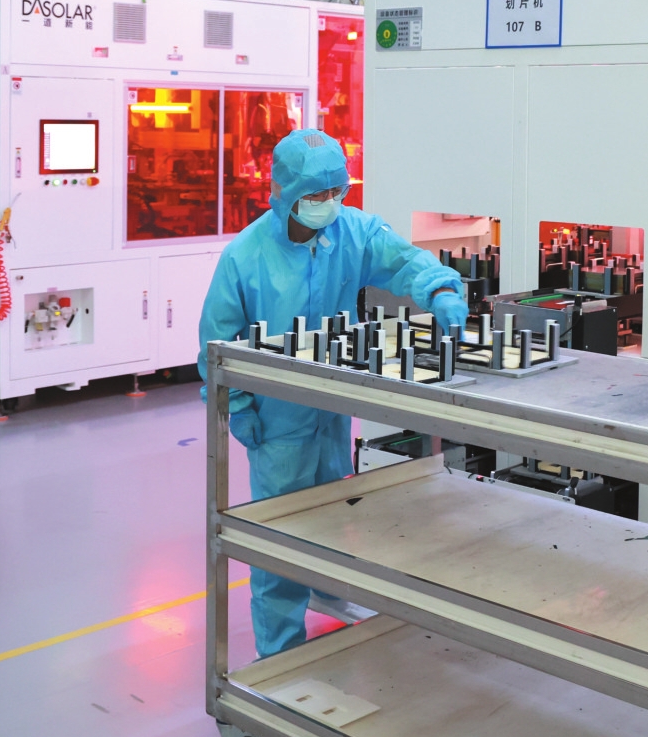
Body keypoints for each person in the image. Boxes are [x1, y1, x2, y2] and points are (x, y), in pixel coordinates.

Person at [197, 129, 469, 657]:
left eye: (335, 191)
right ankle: (280, 653)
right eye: (316, 195)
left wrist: (440, 289)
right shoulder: (245, 256)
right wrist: (240, 408)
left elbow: (405, 261)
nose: (328, 203)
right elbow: (216, 342)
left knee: (329, 515)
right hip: (277, 422)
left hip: (332, 412)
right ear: (284, 194)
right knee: (280, 537)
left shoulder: (353, 232)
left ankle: (325, 591)